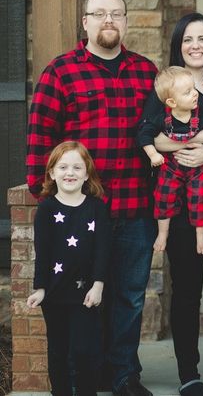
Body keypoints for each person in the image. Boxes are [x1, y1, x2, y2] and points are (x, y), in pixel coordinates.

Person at [26, 0, 157, 396]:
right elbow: (40, 137)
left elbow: (165, 129)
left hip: (135, 206)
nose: (108, 21)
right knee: (79, 295)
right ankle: (87, 374)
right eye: (99, 14)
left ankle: (123, 375)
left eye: (116, 14)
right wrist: (42, 192)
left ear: (125, 21)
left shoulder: (146, 72)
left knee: (130, 296)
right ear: (85, 22)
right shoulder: (60, 72)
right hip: (80, 213)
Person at [142, 12, 203, 396]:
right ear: (178, 46)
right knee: (187, 293)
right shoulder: (164, 89)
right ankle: (188, 374)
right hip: (181, 212)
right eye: (187, 40)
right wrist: (193, 147)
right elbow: (152, 138)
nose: (196, 46)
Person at [27, 141, 112, 396]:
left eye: (77, 167)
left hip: (86, 294)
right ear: (52, 172)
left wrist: (98, 285)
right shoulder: (46, 209)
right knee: (59, 352)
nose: (70, 173)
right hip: (54, 295)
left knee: (84, 351)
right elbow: (42, 253)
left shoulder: (96, 208)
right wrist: (40, 289)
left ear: (87, 173)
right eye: (63, 167)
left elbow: (102, 251)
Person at [138, 66, 203, 256]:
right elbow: (144, 135)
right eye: (188, 92)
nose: (195, 94)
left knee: (200, 197)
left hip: (198, 169)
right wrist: (153, 154)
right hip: (171, 166)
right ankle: (163, 233)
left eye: (194, 89)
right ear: (171, 102)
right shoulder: (161, 116)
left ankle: (200, 235)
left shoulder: (202, 113)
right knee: (163, 196)